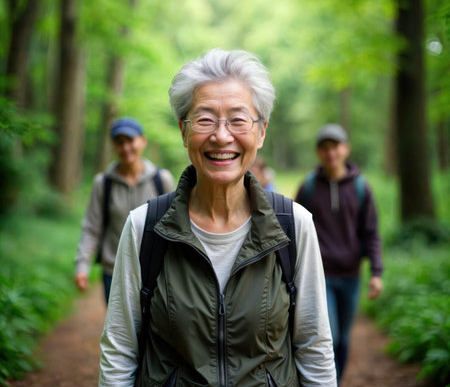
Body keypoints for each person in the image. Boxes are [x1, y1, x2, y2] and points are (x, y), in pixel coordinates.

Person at [99, 49, 337, 386]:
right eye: (205, 119)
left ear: (261, 131)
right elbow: (120, 350)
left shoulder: (293, 225)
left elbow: (314, 347)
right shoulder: (145, 227)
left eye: (238, 120)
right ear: (184, 131)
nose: (222, 136)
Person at [294, 123, 383, 384]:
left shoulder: (360, 187)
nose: (330, 153)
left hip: (351, 276)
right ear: (318, 152)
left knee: (343, 337)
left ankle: (337, 380)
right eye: (324, 148)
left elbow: (371, 233)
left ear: (345, 149)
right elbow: (295, 228)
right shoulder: (308, 187)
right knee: (328, 335)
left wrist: (376, 272)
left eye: (335, 147)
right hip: (318, 275)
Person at [74, 117, 175, 304]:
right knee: (120, 332)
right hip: (114, 272)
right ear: (114, 146)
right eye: (119, 142)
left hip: (153, 271)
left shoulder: (162, 179)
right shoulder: (103, 183)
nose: (126, 147)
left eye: (130, 140)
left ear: (143, 141)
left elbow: (175, 225)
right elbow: (91, 227)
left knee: (152, 331)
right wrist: (82, 266)